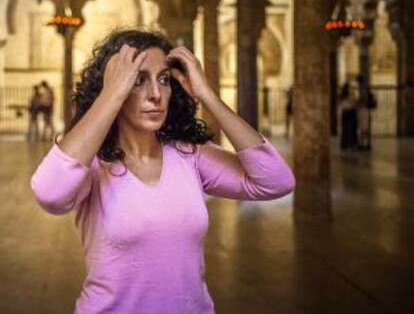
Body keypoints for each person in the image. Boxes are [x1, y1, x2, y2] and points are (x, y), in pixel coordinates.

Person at [30, 29, 295, 314]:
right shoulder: (93, 166)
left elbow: (276, 182)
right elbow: (49, 194)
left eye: (164, 80)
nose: (155, 94)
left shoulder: (190, 156)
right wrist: (111, 95)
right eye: (138, 80)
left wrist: (206, 94)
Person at [338, 82, 358, 150]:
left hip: (345, 112)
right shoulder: (349, 95)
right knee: (350, 129)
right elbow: (353, 103)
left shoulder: (341, 95)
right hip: (350, 112)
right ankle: (350, 143)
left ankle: (345, 144)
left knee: (345, 129)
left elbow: (340, 104)